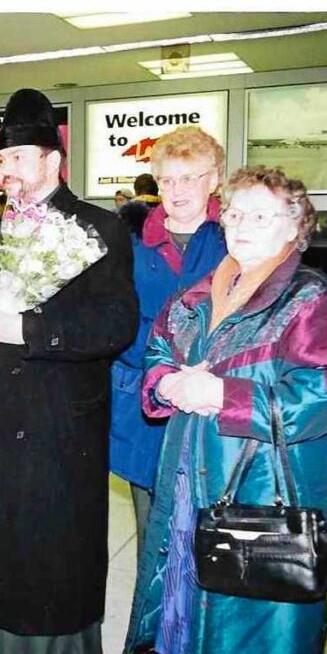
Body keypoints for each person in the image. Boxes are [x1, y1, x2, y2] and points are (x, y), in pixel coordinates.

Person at [123, 165, 327, 654]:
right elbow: (159, 349)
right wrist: (165, 384)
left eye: (261, 215)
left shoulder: (309, 301)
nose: (243, 224)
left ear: (296, 228)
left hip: (262, 486)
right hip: (193, 473)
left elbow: (321, 396)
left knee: (254, 624)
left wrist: (223, 394)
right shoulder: (200, 294)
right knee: (196, 597)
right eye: (234, 213)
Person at [0, 88, 137, 654]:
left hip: (64, 422)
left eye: (18, 160)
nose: (6, 174)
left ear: (53, 161)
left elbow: (115, 324)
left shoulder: (100, 228)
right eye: (2, 163)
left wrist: (31, 329)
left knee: (58, 548)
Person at [109, 127, 227, 560]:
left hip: (211, 399)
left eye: (190, 178)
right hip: (143, 400)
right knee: (152, 525)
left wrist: (206, 367)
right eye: (167, 180)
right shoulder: (129, 241)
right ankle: (152, 624)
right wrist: (166, 369)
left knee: (207, 524)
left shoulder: (234, 238)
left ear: (214, 179)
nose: (177, 191)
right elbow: (113, 316)